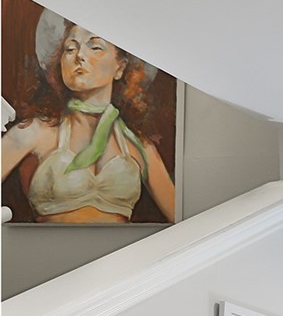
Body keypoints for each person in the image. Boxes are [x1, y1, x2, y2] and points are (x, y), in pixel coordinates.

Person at [1, 19, 175, 224]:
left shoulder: (139, 146)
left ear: (120, 67)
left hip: (124, 255)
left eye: (95, 47)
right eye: (70, 49)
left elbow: (180, 219)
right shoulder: (35, 132)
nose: (80, 56)